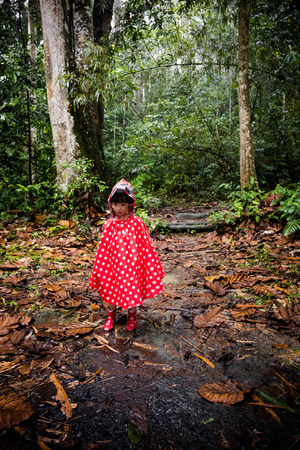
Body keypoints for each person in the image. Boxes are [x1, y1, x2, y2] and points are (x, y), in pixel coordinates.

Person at [89, 179, 165, 331]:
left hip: (131, 266)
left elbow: (146, 245)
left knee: (132, 292)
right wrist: (100, 267)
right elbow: (103, 248)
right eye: (115, 204)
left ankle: (132, 318)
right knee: (111, 292)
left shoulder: (137, 223)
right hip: (113, 266)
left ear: (130, 204)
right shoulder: (109, 224)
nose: (118, 208)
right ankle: (111, 317)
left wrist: (149, 264)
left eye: (122, 204)